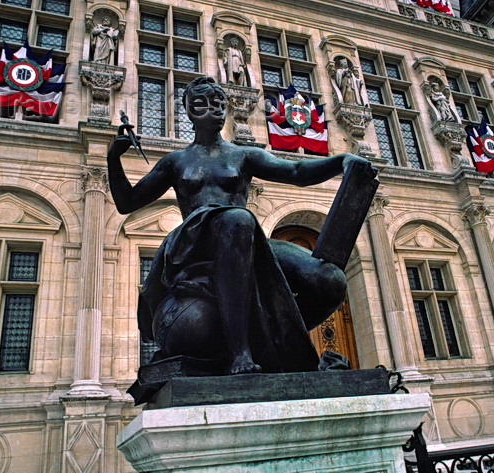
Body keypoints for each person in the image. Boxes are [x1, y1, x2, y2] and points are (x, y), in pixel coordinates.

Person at [107, 76, 374, 375]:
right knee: (236, 218)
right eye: (202, 104)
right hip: (197, 244)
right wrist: (113, 158)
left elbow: (296, 170)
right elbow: (127, 202)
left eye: (219, 104)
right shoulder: (176, 162)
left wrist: (341, 161)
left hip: (242, 237)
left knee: (329, 279)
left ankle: (274, 340)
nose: (214, 110)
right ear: (189, 112)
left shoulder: (242, 155)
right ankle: (239, 354)